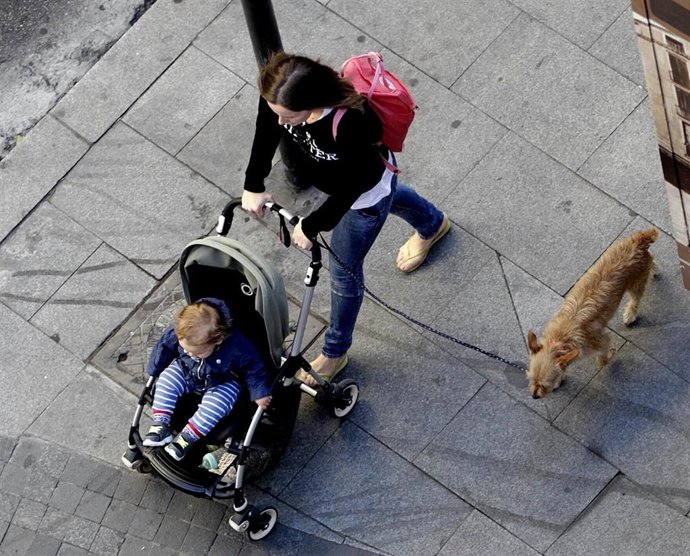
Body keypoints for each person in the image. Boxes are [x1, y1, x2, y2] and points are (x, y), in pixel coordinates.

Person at [242, 51, 450, 385]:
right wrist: (253, 183)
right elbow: (266, 126)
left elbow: (361, 180)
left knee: (343, 274)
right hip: (352, 185)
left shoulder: (352, 120)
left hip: (363, 197)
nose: (281, 122)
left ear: (311, 101)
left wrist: (313, 224)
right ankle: (433, 224)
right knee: (391, 195)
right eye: (277, 113)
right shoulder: (280, 97)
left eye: (288, 116)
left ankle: (335, 353)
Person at [143, 297, 272, 461]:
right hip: (187, 370)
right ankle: (161, 423)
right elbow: (165, 346)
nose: (190, 354)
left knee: (217, 404)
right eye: (186, 350)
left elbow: (254, 366)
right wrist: (156, 368)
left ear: (218, 339)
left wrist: (260, 392)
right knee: (167, 379)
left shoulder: (237, 346)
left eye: (197, 353)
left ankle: (188, 437)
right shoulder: (181, 332)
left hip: (222, 380)